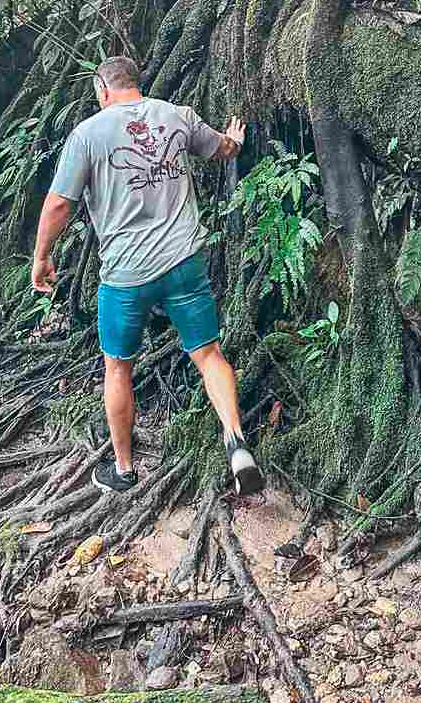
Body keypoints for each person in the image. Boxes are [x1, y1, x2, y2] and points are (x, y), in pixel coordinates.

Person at [31, 54, 263, 497]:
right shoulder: (177, 116)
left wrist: (42, 257)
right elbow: (222, 149)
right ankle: (236, 443)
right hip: (184, 264)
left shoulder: (87, 135)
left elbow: (61, 203)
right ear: (136, 84)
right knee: (209, 353)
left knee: (117, 367)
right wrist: (234, 139)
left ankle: (123, 469)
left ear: (102, 90)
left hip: (126, 275)